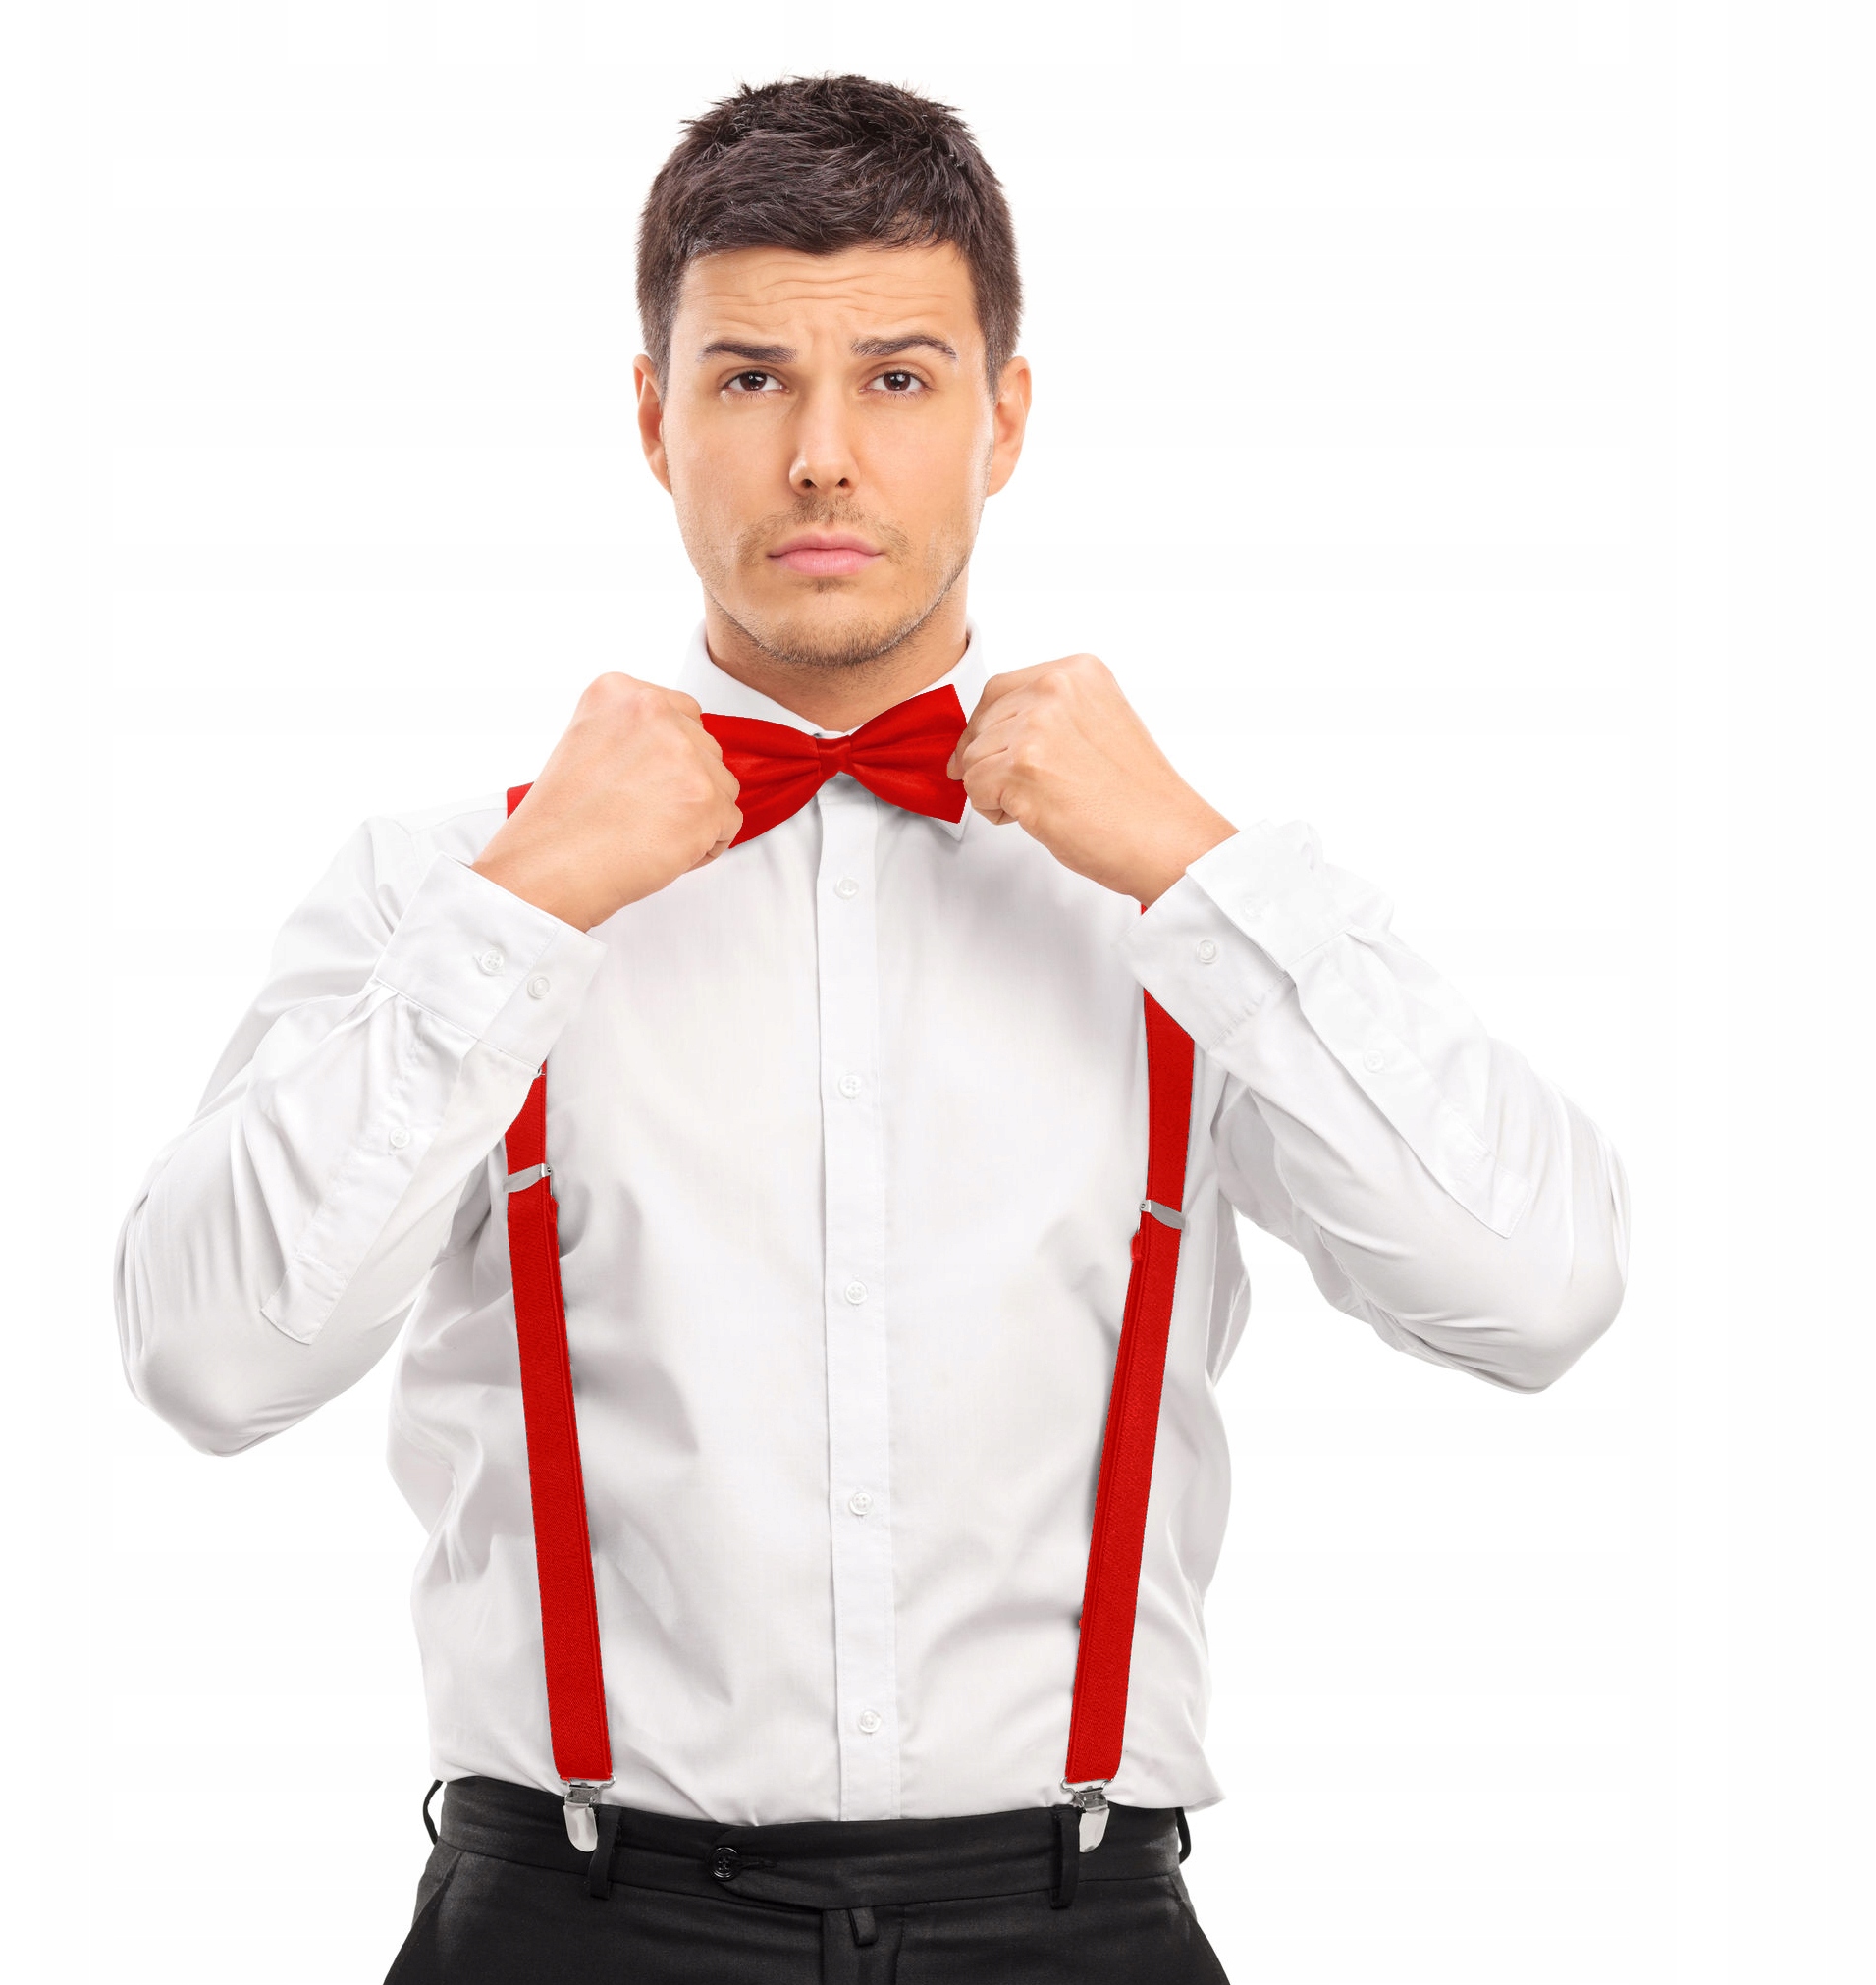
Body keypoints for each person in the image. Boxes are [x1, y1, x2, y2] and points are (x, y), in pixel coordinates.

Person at [114, 73, 1630, 1985]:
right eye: (751, 378)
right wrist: (526, 907)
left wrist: (1196, 871)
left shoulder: (1192, 906)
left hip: (1073, 1926)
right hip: (571, 1924)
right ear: (654, 419)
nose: (823, 457)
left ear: (1005, 417)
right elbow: (208, 1364)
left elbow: (1538, 1293)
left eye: (898, 379)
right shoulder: (447, 888)